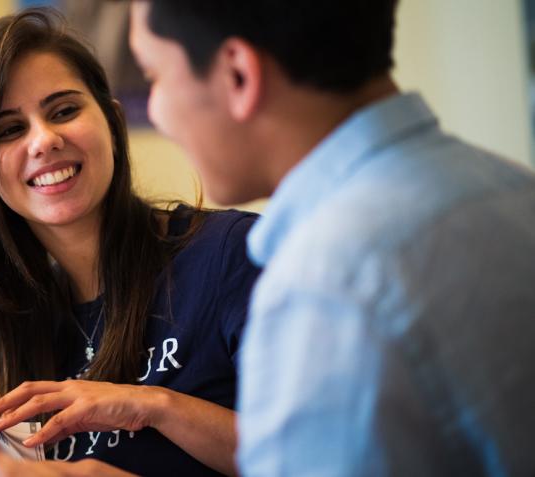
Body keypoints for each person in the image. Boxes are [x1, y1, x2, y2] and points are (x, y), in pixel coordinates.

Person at [124, 1, 535, 476]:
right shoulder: (510, 187)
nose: (156, 113)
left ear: (238, 74)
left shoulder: (326, 283)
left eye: (154, 76)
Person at [0, 9, 261, 477]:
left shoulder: (232, 254)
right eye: (10, 130)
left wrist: (154, 405)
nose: (44, 140)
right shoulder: (17, 320)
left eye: (64, 111)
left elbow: (321, 458)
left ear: (112, 122)